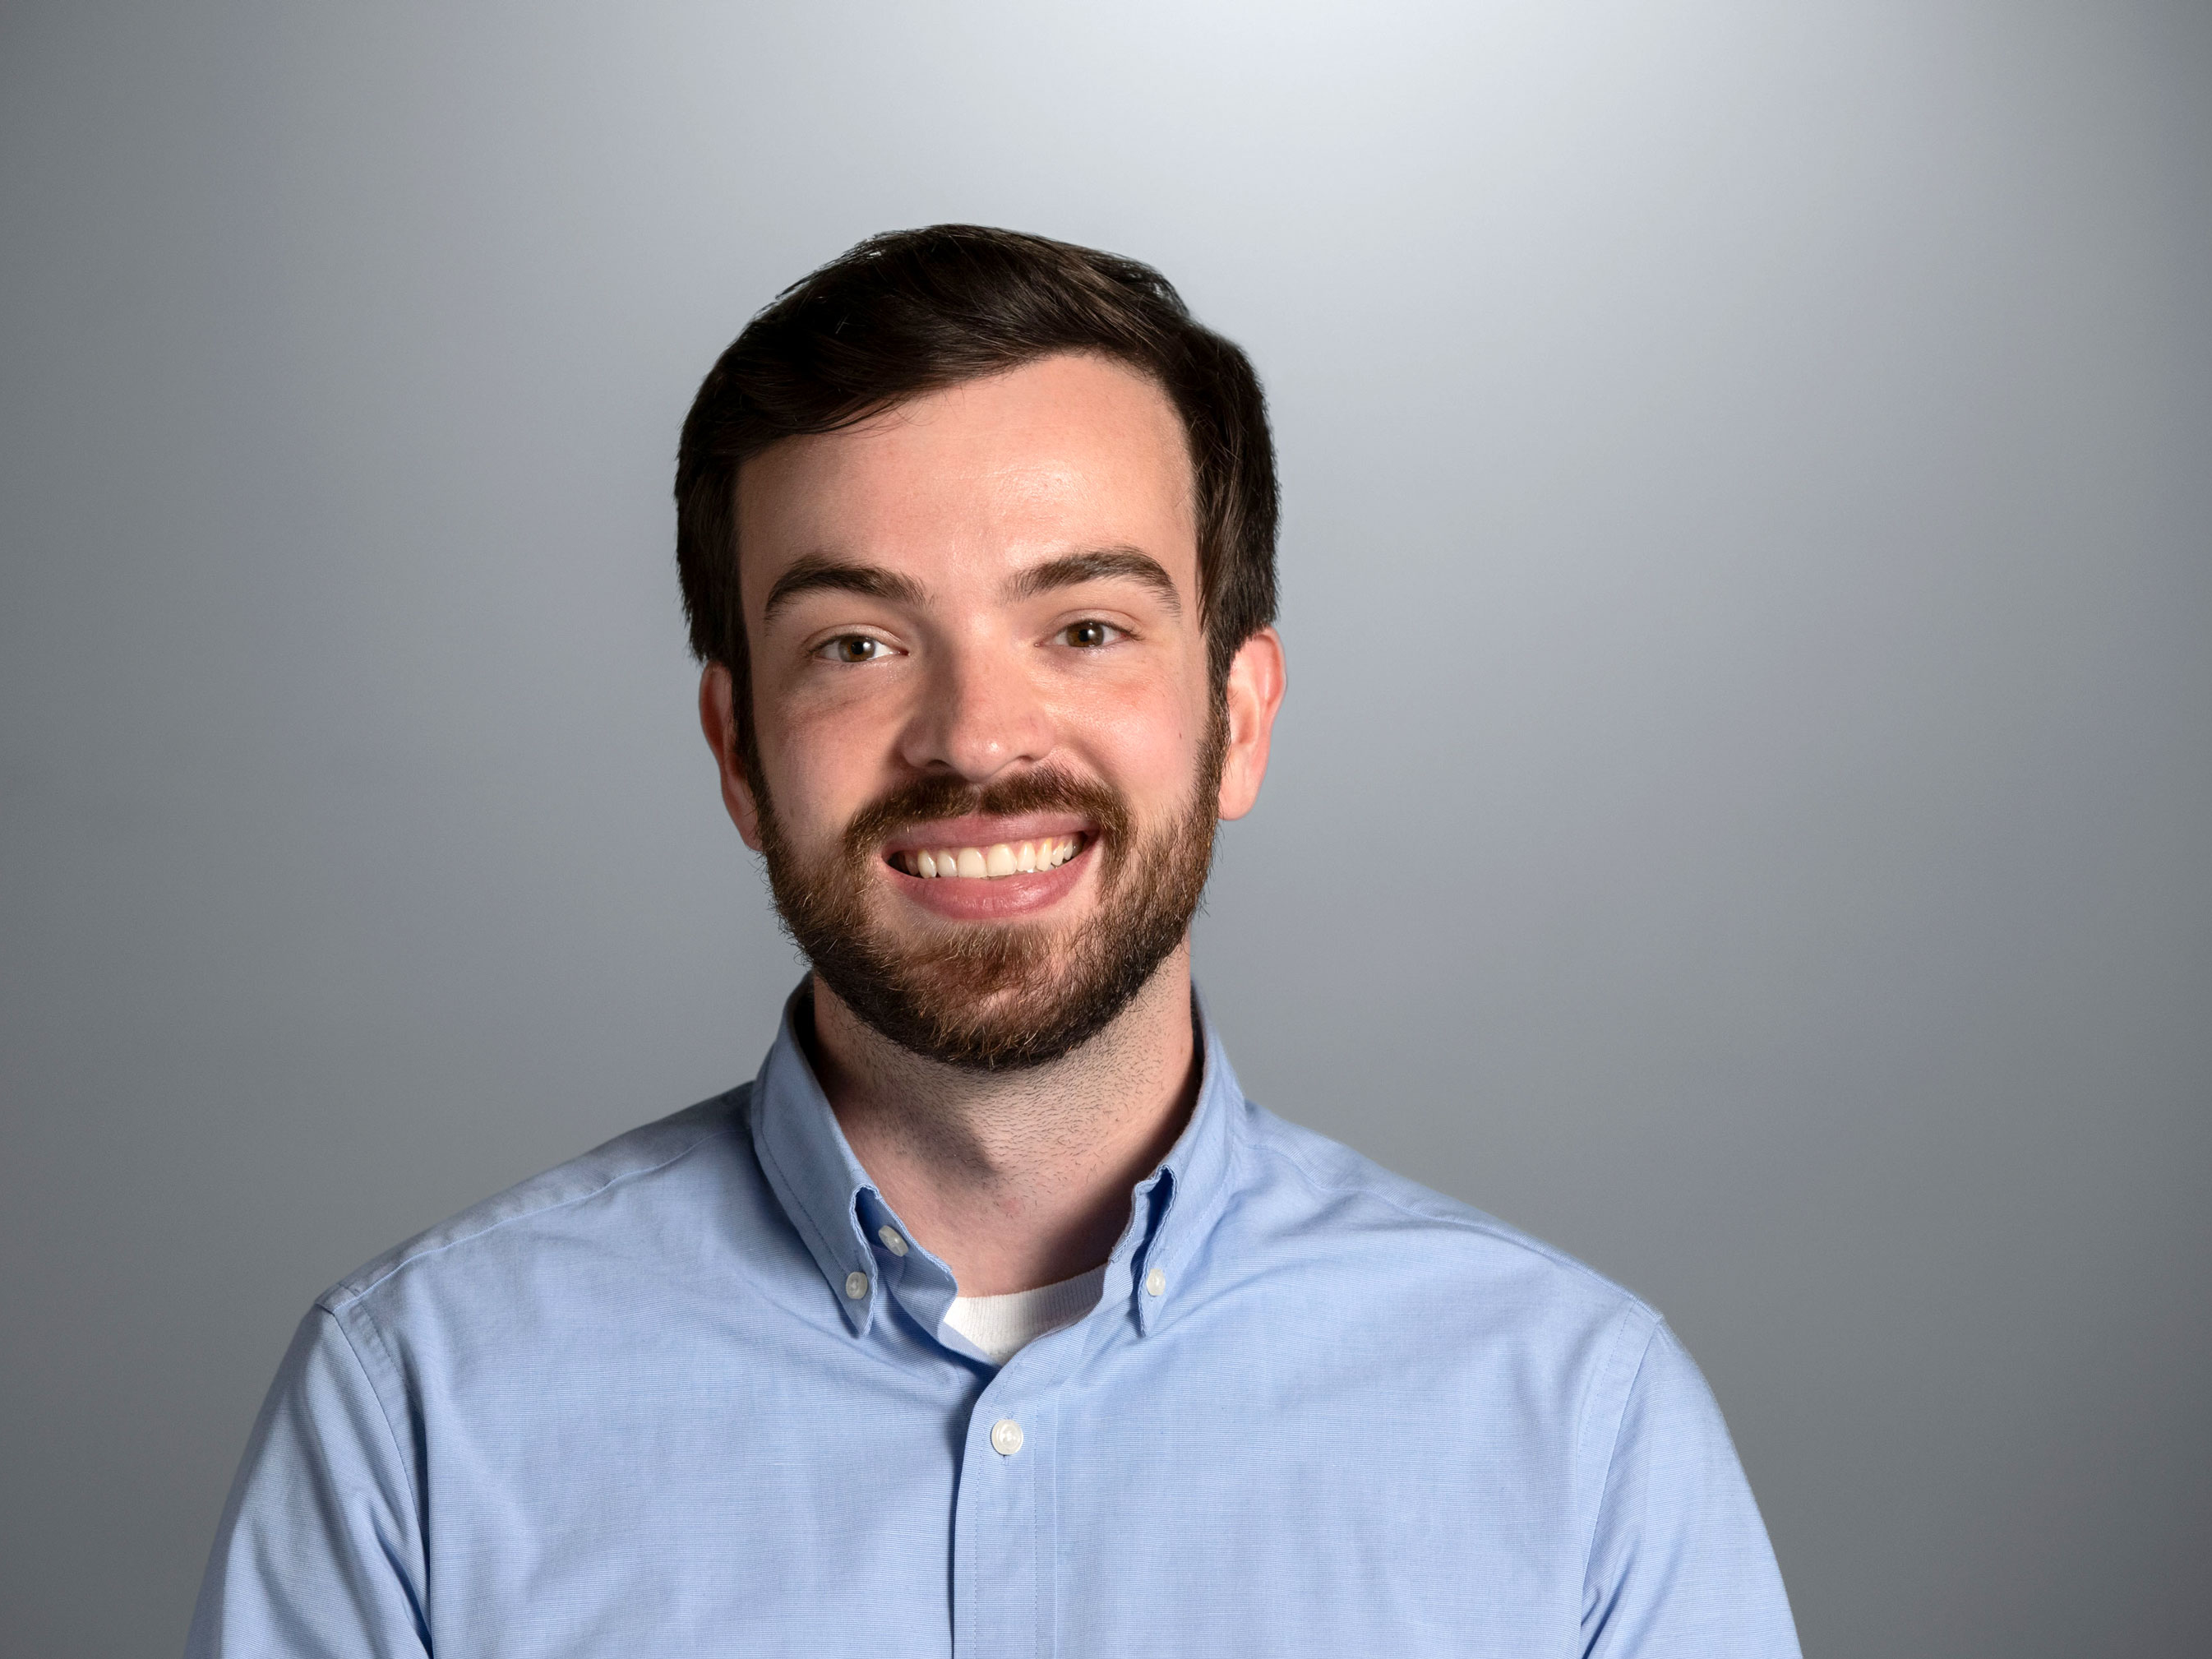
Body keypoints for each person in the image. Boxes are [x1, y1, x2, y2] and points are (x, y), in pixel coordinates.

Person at [186, 224, 1802, 1657]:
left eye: (1083, 628)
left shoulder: (1573, 1421)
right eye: (858, 643)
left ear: (1235, 717)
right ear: (739, 751)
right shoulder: (419, 1411)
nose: (974, 738)